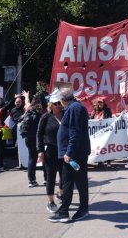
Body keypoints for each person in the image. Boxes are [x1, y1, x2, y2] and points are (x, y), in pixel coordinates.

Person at [49, 85, 90, 223]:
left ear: (61, 99)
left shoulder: (74, 108)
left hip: (74, 155)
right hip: (74, 154)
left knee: (76, 181)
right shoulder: (73, 108)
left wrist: (69, 153)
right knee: (70, 181)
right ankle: (65, 211)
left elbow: (75, 133)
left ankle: (78, 209)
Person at [37, 88, 64, 213]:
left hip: (63, 151)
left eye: (59, 102)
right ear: (51, 105)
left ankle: (61, 192)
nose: (58, 105)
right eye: (56, 103)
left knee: (65, 176)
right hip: (50, 151)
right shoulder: (46, 117)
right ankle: (50, 201)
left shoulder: (65, 114)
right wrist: (40, 150)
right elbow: (39, 133)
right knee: (51, 177)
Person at [20, 93, 44, 187]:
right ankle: (46, 179)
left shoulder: (28, 108)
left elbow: (26, 103)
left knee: (32, 158)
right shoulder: (42, 109)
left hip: (28, 137)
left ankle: (32, 180)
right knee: (44, 157)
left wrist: (26, 96)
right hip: (38, 137)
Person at [90, 97, 112, 168]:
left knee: (106, 146)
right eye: (99, 102)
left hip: (105, 131)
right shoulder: (94, 111)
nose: (100, 104)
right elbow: (91, 120)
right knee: (98, 147)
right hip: (97, 132)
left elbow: (109, 120)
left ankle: (108, 162)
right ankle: (100, 162)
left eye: (101, 102)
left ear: (104, 103)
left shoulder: (107, 111)